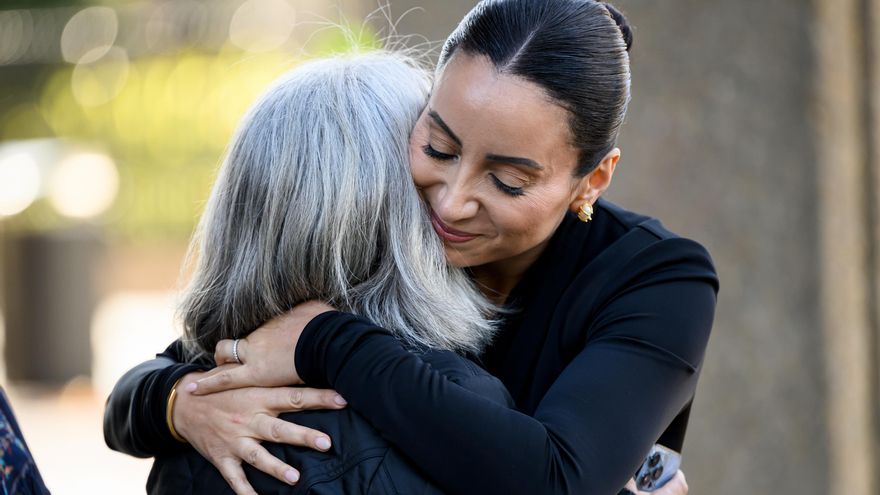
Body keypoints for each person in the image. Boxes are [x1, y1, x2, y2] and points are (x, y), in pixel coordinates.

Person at [106, 1, 716, 494]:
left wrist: (331, 342)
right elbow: (173, 368)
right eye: (440, 148)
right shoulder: (395, 224)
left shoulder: (656, 277)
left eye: (509, 181)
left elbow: (557, 479)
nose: (451, 203)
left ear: (594, 178)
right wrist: (178, 403)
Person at [108, 52, 511, 493]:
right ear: (405, 218)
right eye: (440, 154)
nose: (456, 202)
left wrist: (175, 402)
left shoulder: (214, 386)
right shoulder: (471, 407)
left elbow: (127, 401)